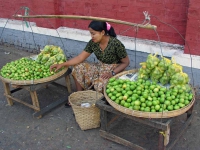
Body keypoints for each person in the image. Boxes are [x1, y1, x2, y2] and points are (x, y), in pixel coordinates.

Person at [50, 20, 130, 93]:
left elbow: (126, 62)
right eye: (90, 33)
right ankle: (79, 94)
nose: (92, 36)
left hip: (114, 70)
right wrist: (62, 64)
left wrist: (112, 73)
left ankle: (99, 100)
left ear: (102, 32)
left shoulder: (115, 44)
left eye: (93, 33)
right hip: (100, 67)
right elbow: (80, 58)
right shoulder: (93, 43)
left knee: (99, 85)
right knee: (78, 67)